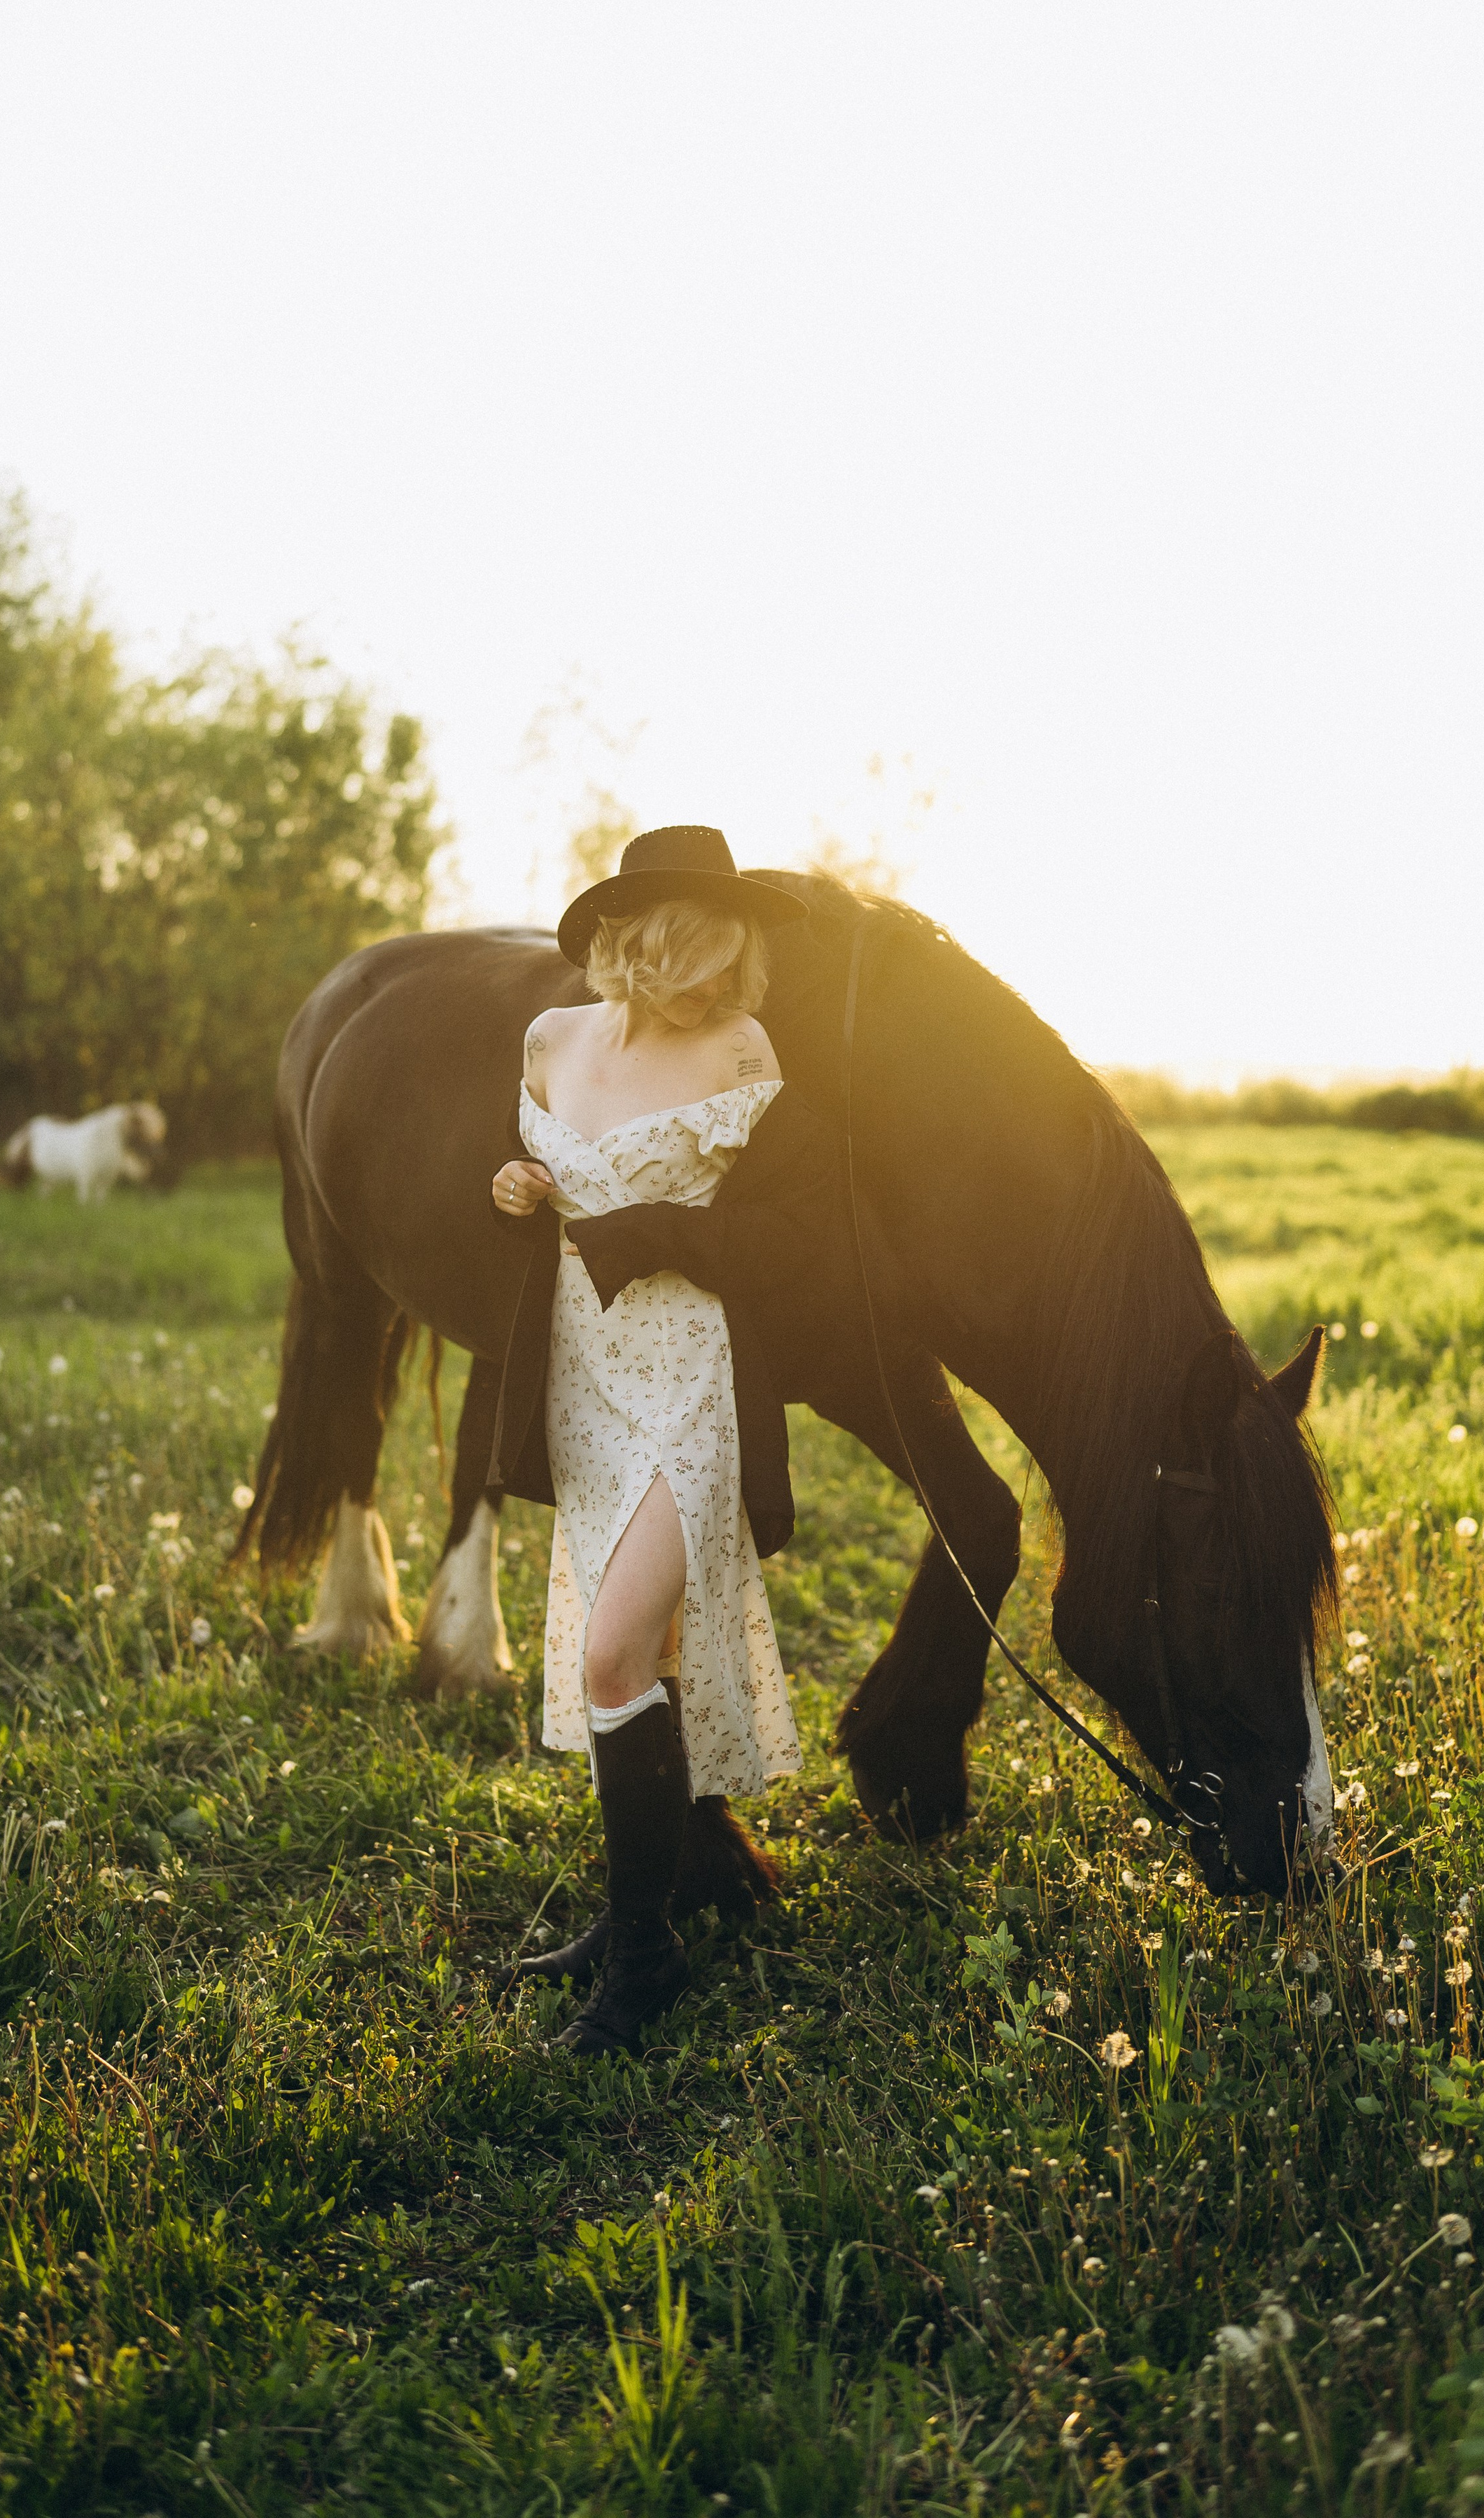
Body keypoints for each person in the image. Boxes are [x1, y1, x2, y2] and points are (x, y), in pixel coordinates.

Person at [489, 825, 810, 2055]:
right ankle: (659, 1896)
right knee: (645, 1651)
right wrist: (516, 1188)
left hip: (693, 1382)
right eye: (702, 956)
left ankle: (644, 1963)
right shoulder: (550, 1039)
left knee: (614, 1656)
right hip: (582, 1375)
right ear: (638, 942)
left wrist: (658, 1235)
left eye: (738, 961)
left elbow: (791, 1238)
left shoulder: (741, 1051)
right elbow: (532, 1172)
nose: (725, 983)